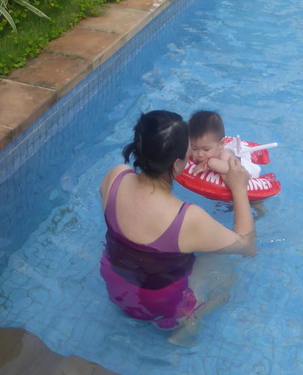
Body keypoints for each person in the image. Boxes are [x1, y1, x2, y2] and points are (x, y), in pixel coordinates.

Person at [99, 110, 256, 330]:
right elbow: (248, 246)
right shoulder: (187, 218)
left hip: (114, 285)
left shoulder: (115, 177)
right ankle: (190, 324)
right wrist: (239, 189)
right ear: (176, 165)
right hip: (160, 307)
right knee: (223, 266)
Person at [187, 109, 262, 178]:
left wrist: (210, 163)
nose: (199, 154)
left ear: (221, 144)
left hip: (247, 172)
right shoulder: (194, 150)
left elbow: (235, 171)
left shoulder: (224, 155)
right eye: (194, 148)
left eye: (206, 149)